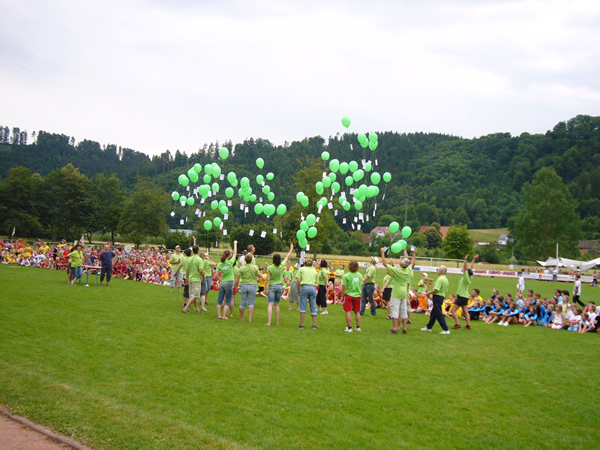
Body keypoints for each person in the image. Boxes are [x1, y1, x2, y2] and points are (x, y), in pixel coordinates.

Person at [380, 247, 413, 334]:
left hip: (396, 293)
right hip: (404, 293)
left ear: (401, 265)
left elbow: (384, 263)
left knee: (395, 310)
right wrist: (414, 253)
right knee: (403, 310)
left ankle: (394, 328)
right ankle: (404, 328)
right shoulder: (408, 270)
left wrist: (382, 252)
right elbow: (412, 262)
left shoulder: (397, 271)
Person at [265, 243, 294, 326]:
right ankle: (277, 321)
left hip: (272, 286)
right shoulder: (281, 266)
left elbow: (267, 279)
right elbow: (287, 256)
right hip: (279, 286)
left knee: (270, 304)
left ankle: (269, 322)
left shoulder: (270, 268)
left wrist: (265, 287)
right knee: (277, 304)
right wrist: (291, 249)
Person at [451, 254, 478, 330]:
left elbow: (465, 268)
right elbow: (471, 268)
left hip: (461, 296)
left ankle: (457, 324)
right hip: (465, 297)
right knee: (466, 311)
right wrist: (474, 259)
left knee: (453, 310)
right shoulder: (470, 278)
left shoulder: (466, 277)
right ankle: (468, 325)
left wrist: (465, 260)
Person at [422, 265, 451, 334]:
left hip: (438, 296)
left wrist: (429, 293)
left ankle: (446, 329)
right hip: (441, 296)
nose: (438, 271)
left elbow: (436, 289)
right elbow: (445, 291)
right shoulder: (446, 279)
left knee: (438, 313)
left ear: (441, 271)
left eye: (439, 269)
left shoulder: (440, 279)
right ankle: (429, 327)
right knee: (433, 313)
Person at [234, 254, 260, 323]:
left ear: (245, 260)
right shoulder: (255, 268)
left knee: (242, 302)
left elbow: (237, 278)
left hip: (244, 285)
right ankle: (250, 319)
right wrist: (262, 278)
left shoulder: (242, 268)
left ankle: (241, 318)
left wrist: (234, 285)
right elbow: (260, 276)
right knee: (251, 303)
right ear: (251, 260)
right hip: (252, 285)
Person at [215, 240, 238, 320]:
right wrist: (235, 244)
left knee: (220, 300)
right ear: (229, 256)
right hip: (229, 282)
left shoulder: (220, 264)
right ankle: (224, 316)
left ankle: (219, 315)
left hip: (223, 283)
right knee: (228, 300)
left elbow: (216, 275)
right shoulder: (230, 262)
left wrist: (220, 280)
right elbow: (235, 253)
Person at [340, 260, 362, 332]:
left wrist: (342, 295)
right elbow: (361, 285)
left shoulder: (346, 275)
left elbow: (344, 286)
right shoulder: (360, 275)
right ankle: (358, 327)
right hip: (357, 295)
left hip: (349, 294)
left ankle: (349, 328)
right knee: (357, 311)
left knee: (348, 311)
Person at [296, 258, 319, 329]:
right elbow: (317, 283)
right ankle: (314, 325)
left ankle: (302, 324)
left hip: (304, 286)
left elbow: (298, 280)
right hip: (312, 287)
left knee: (303, 305)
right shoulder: (314, 270)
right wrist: (314, 287)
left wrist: (298, 289)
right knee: (313, 305)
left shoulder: (301, 269)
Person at [182, 245, 205, 314]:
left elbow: (187, 270)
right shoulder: (199, 260)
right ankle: (186, 308)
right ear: (198, 251)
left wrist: (187, 278)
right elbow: (201, 270)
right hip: (196, 279)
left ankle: (197, 308)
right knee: (195, 295)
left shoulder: (190, 259)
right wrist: (204, 277)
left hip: (190, 278)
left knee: (193, 295)